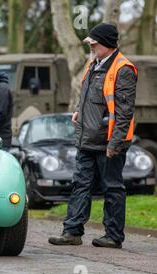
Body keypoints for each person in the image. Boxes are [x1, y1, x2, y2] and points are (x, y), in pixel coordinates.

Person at [48, 23, 138, 249]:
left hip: (109, 142)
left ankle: (113, 236)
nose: (91, 46)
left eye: (94, 43)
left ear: (107, 44)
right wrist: (79, 109)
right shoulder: (94, 64)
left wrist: (115, 143)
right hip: (87, 140)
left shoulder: (123, 69)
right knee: (80, 184)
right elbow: (86, 95)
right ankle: (72, 232)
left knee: (113, 188)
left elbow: (124, 111)